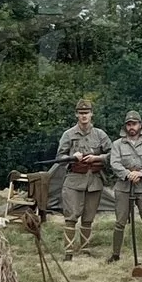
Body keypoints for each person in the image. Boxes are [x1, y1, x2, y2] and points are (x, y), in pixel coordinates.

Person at [108, 108, 142, 275]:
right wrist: (127, 174)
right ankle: (115, 255)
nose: (132, 127)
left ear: (140, 125)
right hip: (124, 187)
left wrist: (140, 173)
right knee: (120, 222)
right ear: (125, 127)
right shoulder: (117, 144)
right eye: (129, 124)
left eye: (135, 123)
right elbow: (115, 163)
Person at [53, 99, 111, 256]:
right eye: (81, 113)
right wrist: (73, 157)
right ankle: (69, 251)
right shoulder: (68, 134)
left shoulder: (100, 135)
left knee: (88, 217)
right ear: (76, 115)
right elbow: (59, 157)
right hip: (74, 180)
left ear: (92, 114)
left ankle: (85, 249)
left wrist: (97, 158)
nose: (84, 116)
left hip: (94, 181)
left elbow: (113, 154)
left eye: (86, 113)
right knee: (70, 217)